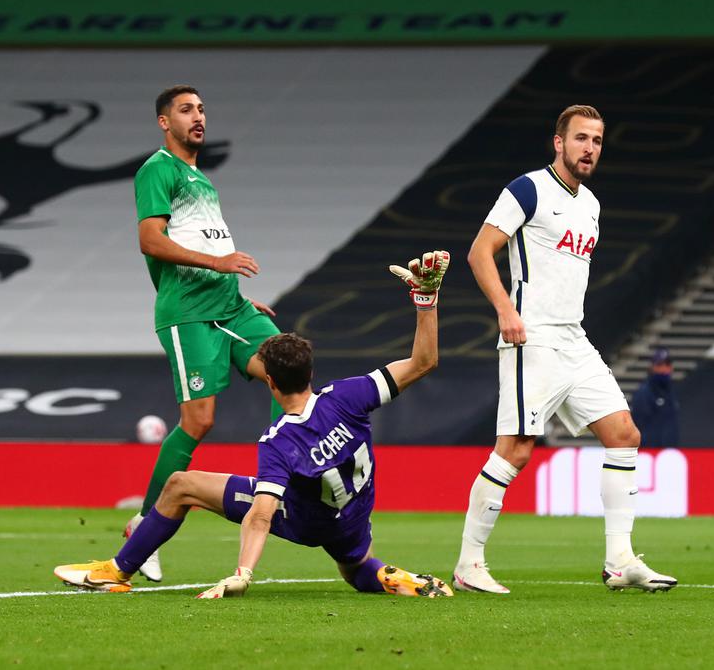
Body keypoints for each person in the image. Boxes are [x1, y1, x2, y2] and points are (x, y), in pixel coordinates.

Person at [55, 252, 453, 598]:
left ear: (270, 381)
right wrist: (426, 300)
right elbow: (423, 362)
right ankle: (389, 575)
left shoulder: (280, 441)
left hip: (304, 519)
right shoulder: (348, 396)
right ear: (310, 371)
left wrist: (242, 573)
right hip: (353, 514)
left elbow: (262, 514)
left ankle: (116, 572)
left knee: (180, 486)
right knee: (355, 570)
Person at [452, 105, 677, 594]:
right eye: (580, 138)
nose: (589, 148)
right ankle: (469, 565)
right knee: (515, 450)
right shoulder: (527, 189)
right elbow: (479, 251)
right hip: (530, 335)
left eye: (596, 140)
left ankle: (619, 561)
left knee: (623, 432)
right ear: (559, 142)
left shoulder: (591, 205)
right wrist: (505, 312)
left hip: (574, 338)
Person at [126, 85, 283, 583]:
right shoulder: (158, 170)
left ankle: (285, 484)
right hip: (189, 314)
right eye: (186, 110)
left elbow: (201, 237)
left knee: (287, 368)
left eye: (201, 110)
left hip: (229, 305)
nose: (198, 117)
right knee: (199, 421)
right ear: (163, 122)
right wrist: (217, 264)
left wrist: (231, 285)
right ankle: (144, 526)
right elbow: (150, 240)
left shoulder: (202, 181)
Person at [629, 348, 680, 448]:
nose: (664, 368)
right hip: (649, 452)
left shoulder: (671, 392)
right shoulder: (644, 392)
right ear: (652, 367)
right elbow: (639, 424)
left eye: (667, 364)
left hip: (668, 453)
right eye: (660, 365)